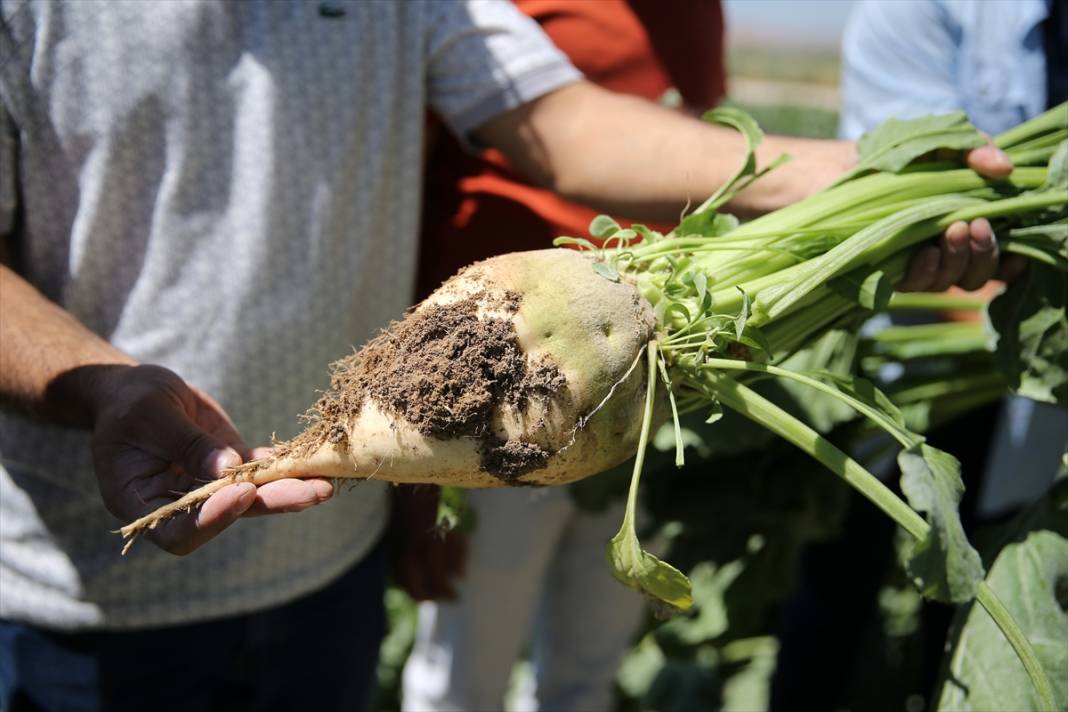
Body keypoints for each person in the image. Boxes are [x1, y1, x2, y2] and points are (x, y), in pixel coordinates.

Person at [0, 1, 1010, 710]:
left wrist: (844, 184)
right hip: (87, 589)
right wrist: (100, 386)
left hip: (327, 574)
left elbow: (561, 126)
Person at [399, 2, 724, 710]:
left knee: (589, 663)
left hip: (644, 393)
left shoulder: (696, 13)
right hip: (504, 384)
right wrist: (421, 446)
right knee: (464, 669)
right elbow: (419, 185)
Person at [770, 1, 1067, 709]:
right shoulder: (925, 7)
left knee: (973, 609)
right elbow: (898, 180)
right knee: (840, 582)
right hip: (905, 374)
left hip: (1035, 401)